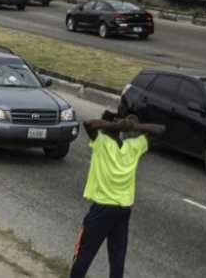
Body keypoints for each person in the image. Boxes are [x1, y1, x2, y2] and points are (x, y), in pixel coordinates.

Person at [68, 110, 164, 278]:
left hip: (101, 210)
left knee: (84, 255)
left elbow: (89, 124)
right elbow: (160, 129)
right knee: (117, 260)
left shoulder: (101, 142)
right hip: (123, 211)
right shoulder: (132, 146)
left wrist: (116, 125)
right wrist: (132, 126)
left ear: (106, 128)